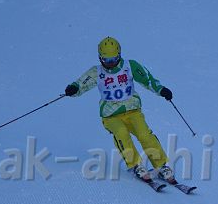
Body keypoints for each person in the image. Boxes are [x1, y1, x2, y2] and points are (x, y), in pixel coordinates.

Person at [65, 36, 174, 181]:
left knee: (144, 135)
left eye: (114, 59)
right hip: (110, 115)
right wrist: (73, 89)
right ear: (100, 58)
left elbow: (148, 80)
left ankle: (161, 166)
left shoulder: (129, 66)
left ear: (119, 54)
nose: (110, 63)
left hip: (133, 110)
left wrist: (161, 90)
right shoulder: (97, 72)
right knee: (121, 133)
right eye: (106, 60)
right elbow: (81, 83)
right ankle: (135, 165)